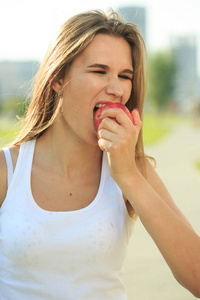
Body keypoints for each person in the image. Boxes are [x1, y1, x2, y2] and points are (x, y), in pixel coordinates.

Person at [0, 9, 200, 300]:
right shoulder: (8, 170)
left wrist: (128, 175)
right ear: (58, 78)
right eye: (99, 71)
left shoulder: (133, 170)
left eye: (124, 75)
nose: (117, 89)